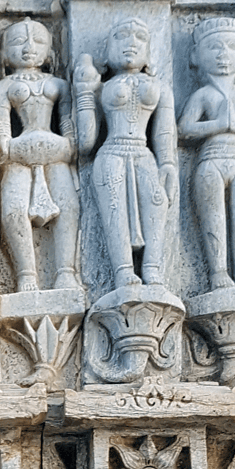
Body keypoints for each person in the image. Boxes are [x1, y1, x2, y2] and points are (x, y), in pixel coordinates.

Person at [74, 17, 177, 287]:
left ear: (149, 52)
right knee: (114, 209)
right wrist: (84, 93)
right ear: (107, 50)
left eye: (140, 37)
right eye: (121, 36)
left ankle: (153, 269)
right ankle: (123, 272)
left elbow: (165, 132)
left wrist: (168, 164)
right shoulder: (102, 88)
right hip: (111, 153)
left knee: (157, 203)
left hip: (144, 153)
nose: (131, 43)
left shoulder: (160, 88)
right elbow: (86, 142)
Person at [177, 17, 235, 290]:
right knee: (213, 214)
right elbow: (184, 129)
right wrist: (218, 125)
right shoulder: (203, 94)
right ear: (195, 56)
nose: (223, 55)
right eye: (214, 47)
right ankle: (218, 272)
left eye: (231, 47)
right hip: (210, 160)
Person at [0, 18, 80, 292]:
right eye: (18, 42)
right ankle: (26, 274)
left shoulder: (59, 84)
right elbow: (0, 125)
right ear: (4, 55)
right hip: (18, 154)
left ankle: (65, 271)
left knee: (68, 207)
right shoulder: (3, 86)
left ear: (51, 53)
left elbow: (68, 122)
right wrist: (6, 147)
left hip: (55, 152)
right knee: (13, 211)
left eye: (39, 41)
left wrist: (69, 145)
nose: (29, 47)